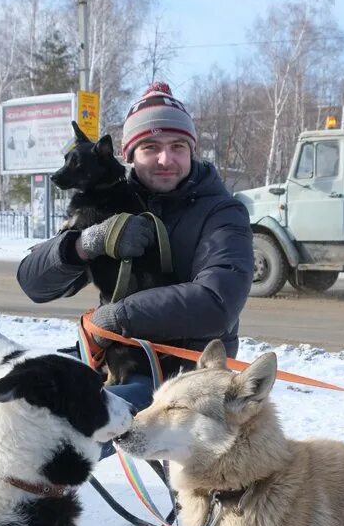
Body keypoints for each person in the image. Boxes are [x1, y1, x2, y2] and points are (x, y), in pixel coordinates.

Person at [16, 81, 253, 423]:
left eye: (177, 146)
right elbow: (33, 284)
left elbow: (217, 304)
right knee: (27, 415)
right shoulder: (109, 201)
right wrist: (86, 244)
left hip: (188, 377)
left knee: (66, 431)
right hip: (119, 360)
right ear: (128, 155)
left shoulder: (221, 213)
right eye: (150, 146)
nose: (165, 158)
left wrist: (114, 318)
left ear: (192, 151)